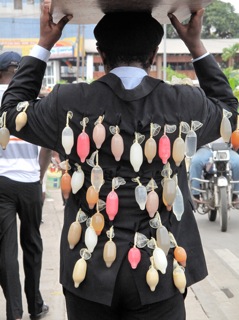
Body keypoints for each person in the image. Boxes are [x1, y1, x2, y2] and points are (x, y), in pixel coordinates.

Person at [1, 2, 238, 319]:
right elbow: (229, 112)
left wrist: (45, 43)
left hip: (87, 273)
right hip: (162, 272)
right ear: (154, 54)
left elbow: (10, 114)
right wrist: (194, 44)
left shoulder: (68, 101)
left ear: (100, 53)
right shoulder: (185, 102)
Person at [0, 51, 51, 320]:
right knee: (32, 244)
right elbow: (47, 147)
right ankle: (35, 306)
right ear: (21, 74)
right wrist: (40, 178)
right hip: (30, 181)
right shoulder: (33, 101)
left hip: (1, 183)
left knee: (5, 248)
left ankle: (14, 312)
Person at [190, 137, 239, 203]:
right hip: (206, 148)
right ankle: (195, 194)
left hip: (225, 148)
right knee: (195, 161)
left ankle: (235, 194)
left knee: (237, 161)